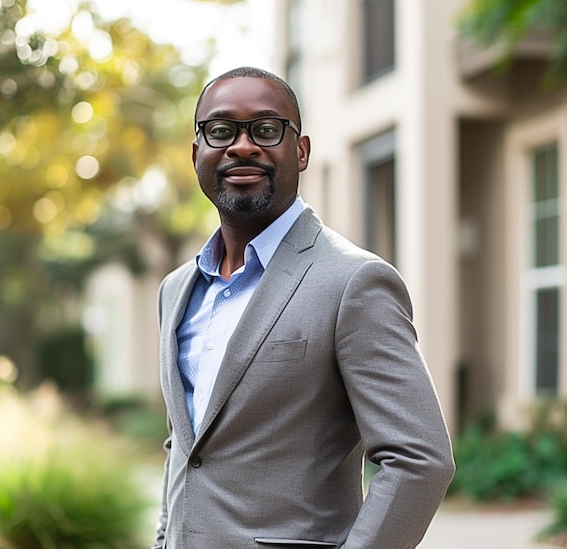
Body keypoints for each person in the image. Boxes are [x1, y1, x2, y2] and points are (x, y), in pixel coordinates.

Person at [152, 66, 455, 549]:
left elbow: (420, 458)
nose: (242, 145)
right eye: (221, 130)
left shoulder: (353, 282)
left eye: (267, 129)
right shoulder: (176, 289)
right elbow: (185, 448)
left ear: (302, 151)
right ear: (197, 154)